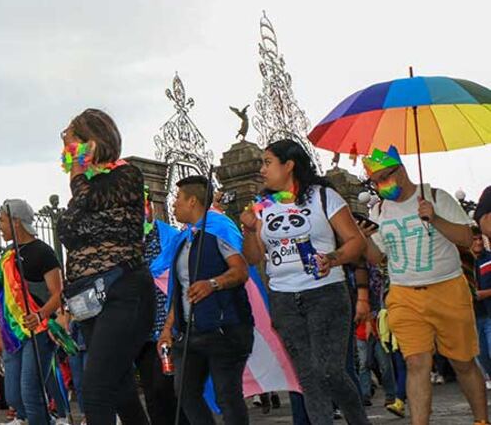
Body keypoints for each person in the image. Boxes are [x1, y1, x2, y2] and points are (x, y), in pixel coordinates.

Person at [238, 139, 368, 425]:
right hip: (284, 298)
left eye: (267, 162)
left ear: (289, 165)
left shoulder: (323, 197)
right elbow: (253, 256)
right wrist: (248, 230)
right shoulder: (262, 206)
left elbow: (356, 242)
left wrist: (332, 258)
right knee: (308, 377)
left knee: (329, 371)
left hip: (326, 293)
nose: (262, 169)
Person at [357, 146, 489, 425]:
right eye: (376, 181)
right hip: (405, 295)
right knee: (416, 362)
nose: (382, 185)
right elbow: (377, 257)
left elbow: (466, 237)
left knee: (463, 363)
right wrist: (365, 238)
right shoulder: (379, 210)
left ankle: (481, 420)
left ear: (401, 170)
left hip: (448, 289)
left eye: (385, 177)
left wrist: (435, 218)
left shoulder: (436, 197)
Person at [55, 109, 153, 425]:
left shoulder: (127, 176)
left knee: (95, 389)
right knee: (121, 388)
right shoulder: (85, 188)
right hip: (89, 299)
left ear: (93, 142)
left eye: (72, 140)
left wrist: (78, 169)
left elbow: (88, 202)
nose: (67, 148)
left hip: (122, 290)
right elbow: (68, 231)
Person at [155, 176, 253, 425]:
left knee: (227, 396)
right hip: (189, 332)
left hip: (224, 328)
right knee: (185, 393)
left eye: (177, 199)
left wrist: (213, 284)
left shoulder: (219, 229)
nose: (174, 205)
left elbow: (241, 271)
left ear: (192, 201)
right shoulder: (183, 239)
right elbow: (181, 290)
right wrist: (167, 329)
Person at [0, 198, 64, 425]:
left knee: (31, 392)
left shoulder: (43, 252)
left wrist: (39, 314)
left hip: (37, 331)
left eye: (1, 220)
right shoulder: (8, 255)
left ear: (16, 221)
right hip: (13, 333)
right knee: (14, 396)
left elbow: (58, 293)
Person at [137, 214, 183, 425]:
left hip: (166, 328)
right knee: (152, 395)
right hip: (141, 330)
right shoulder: (123, 242)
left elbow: (179, 280)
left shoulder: (170, 238)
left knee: (167, 387)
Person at [354, 262, 397, 409]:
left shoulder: (377, 274)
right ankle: (365, 394)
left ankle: (391, 395)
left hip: (379, 326)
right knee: (364, 363)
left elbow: (380, 301)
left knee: (384, 363)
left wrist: (370, 320)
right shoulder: (353, 274)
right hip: (361, 327)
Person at [474, 230, 491, 387]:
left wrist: (485, 293)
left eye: (480, 239)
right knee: (481, 354)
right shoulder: (462, 263)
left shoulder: (489, 260)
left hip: (489, 313)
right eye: (474, 239)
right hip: (473, 316)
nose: (478, 242)